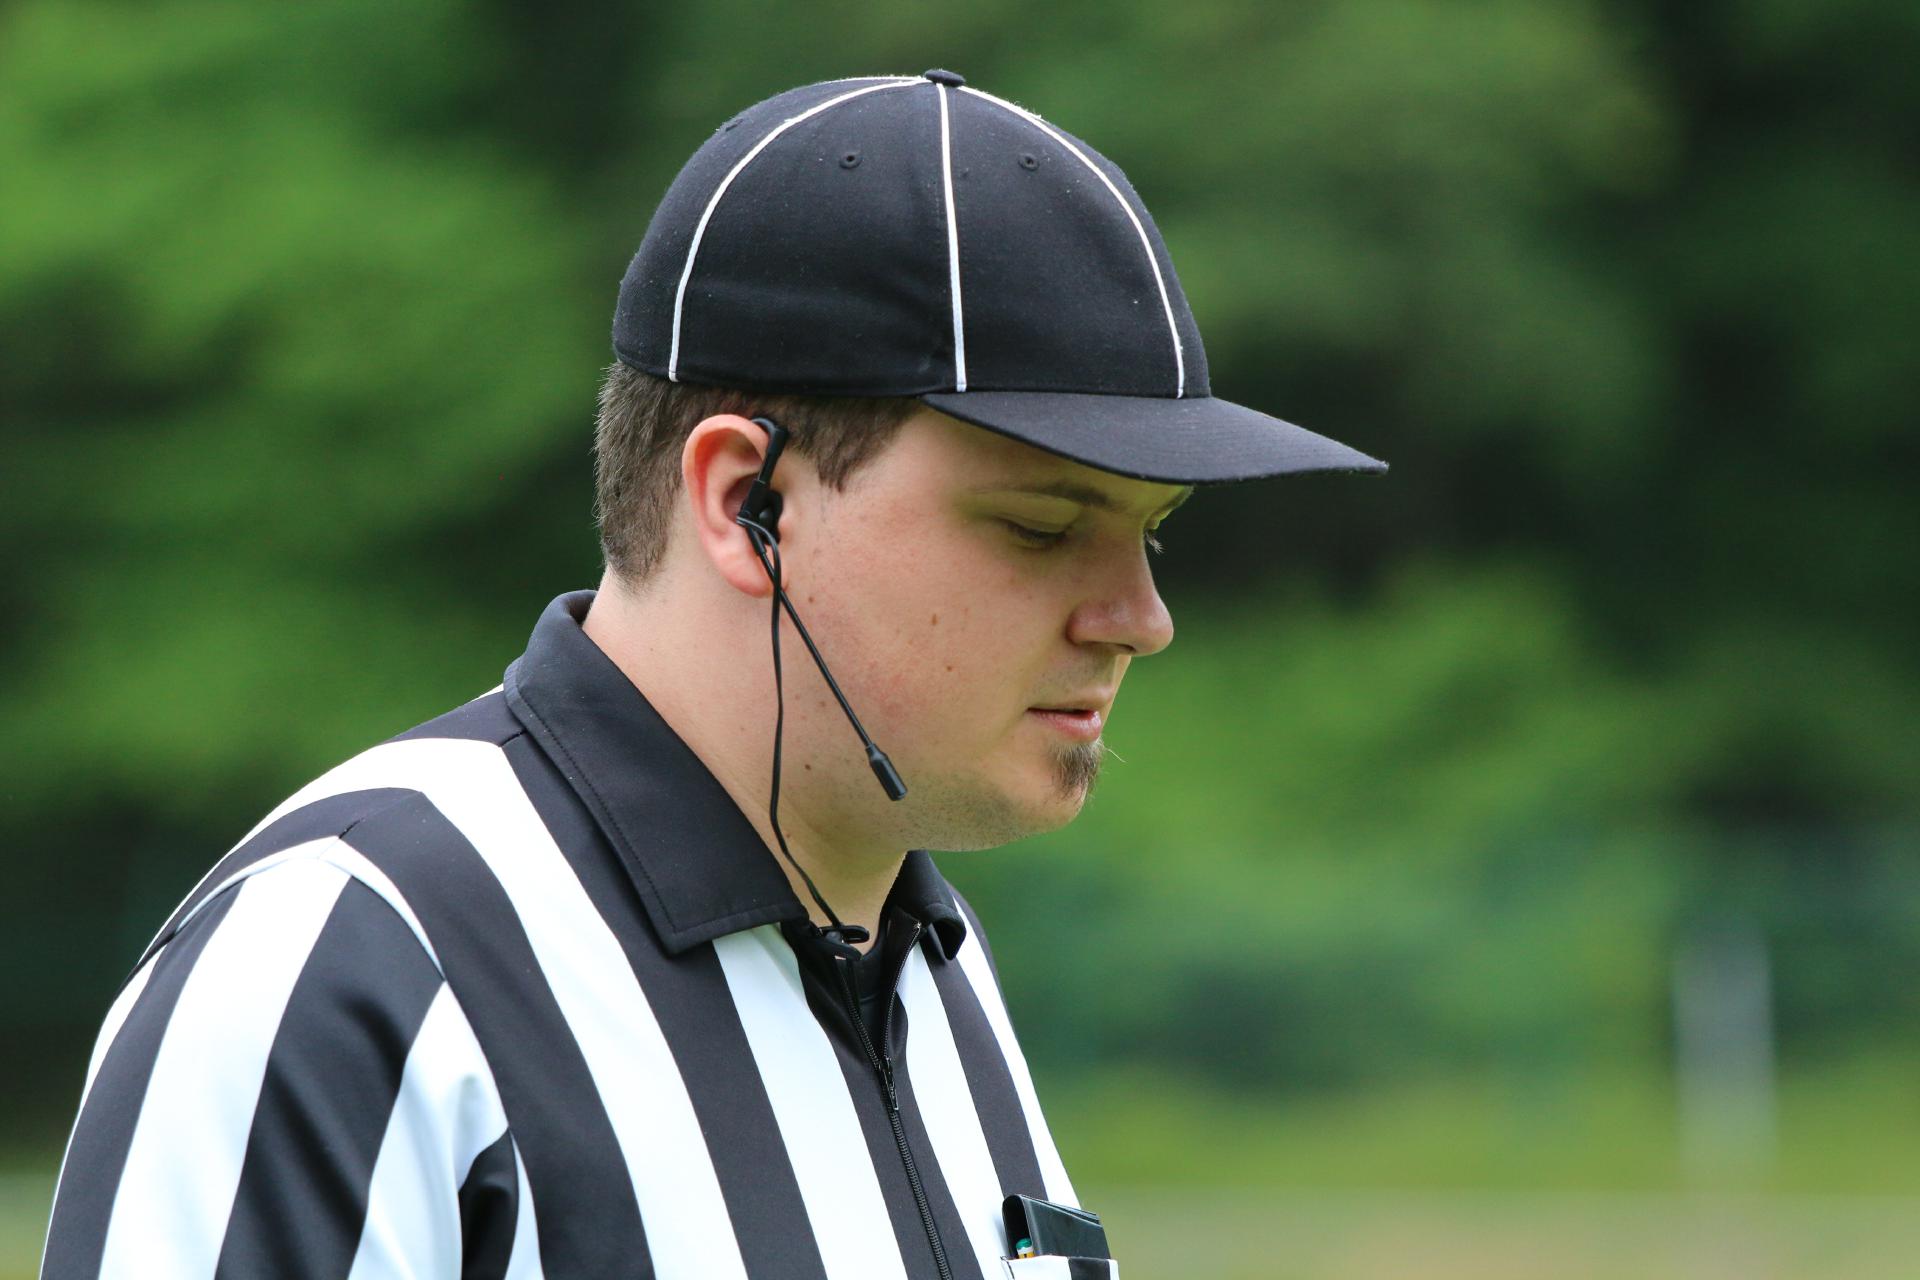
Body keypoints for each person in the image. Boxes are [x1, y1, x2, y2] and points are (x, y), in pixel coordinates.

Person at [41, 70, 1383, 1279]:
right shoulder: (348, 961)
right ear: (747, 501)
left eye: (1152, 533)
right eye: (1040, 525)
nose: (1141, 618)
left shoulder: (928, 959)